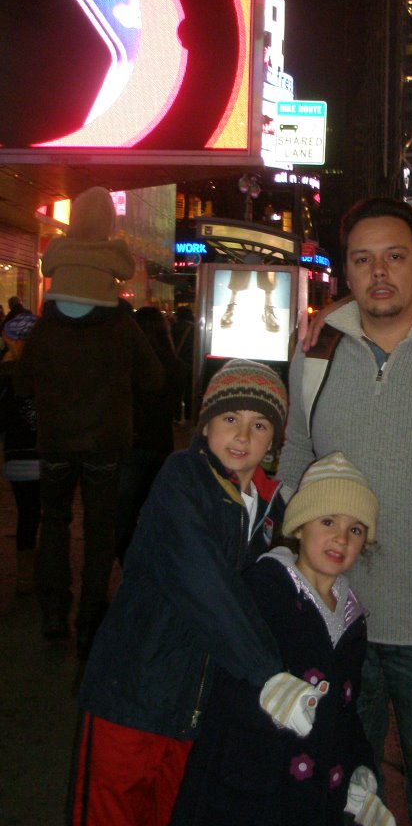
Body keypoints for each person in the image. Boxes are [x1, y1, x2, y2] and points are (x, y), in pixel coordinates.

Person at [278, 197, 412, 826]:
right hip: (339, 620)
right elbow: (294, 456)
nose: (380, 273)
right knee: (341, 794)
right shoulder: (316, 354)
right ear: (345, 272)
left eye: (395, 256)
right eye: (362, 260)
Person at [72, 359, 330, 826]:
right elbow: (203, 580)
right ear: (206, 422)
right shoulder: (182, 479)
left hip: (196, 719)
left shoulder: (272, 511)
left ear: (275, 439)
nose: (242, 436)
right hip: (132, 698)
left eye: (259, 424)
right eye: (230, 418)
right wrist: (269, 675)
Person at [171, 451, 395, 826]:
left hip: (314, 801)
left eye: (355, 529)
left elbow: (346, 712)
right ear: (299, 525)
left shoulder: (352, 618)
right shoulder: (265, 590)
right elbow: (222, 680)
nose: (341, 538)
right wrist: (268, 700)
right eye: (327, 521)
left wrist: (360, 772)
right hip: (251, 794)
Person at [14, 186, 164, 658]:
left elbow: (20, 383)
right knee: (100, 528)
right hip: (106, 442)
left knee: (53, 520)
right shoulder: (121, 326)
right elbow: (155, 379)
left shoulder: (47, 326)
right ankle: (90, 619)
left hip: (55, 440)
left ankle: (54, 610)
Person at [115, 306, 186, 562]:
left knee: (124, 510)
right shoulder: (173, 364)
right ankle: (147, 557)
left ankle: (125, 558)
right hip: (160, 441)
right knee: (151, 505)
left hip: (132, 440)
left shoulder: (127, 361)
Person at [0, 311, 41, 593]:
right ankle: (43, 571)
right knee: (45, 514)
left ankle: (24, 574)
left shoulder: (3, 376)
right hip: (45, 455)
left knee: (26, 512)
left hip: (15, 456)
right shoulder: (47, 372)